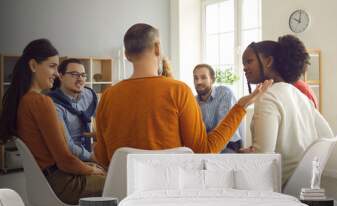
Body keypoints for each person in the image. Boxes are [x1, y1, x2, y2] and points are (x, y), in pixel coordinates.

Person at [94, 23, 272, 168]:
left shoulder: (108, 97)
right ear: (157, 48)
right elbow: (204, 152)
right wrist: (240, 107)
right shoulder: (178, 91)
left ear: (126, 55)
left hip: (125, 200)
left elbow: (102, 158)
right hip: (170, 196)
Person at [0, 39, 105, 206]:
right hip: (62, 183)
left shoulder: (23, 101)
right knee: (121, 183)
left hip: (48, 181)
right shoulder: (41, 102)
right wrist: (89, 169)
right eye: (52, 66)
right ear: (33, 65)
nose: (56, 73)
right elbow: (65, 160)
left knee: (104, 172)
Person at [242, 35, 333, 184]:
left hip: (279, 184)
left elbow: (262, 157)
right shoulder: (299, 94)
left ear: (269, 61)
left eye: (249, 61)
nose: (244, 68)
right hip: (305, 181)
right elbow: (328, 135)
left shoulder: (268, 97)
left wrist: (246, 154)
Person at [48, 58, 98, 162]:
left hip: (89, 152)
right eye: (74, 74)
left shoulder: (90, 95)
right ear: (61, 76)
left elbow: (104, 120)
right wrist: (92, 157)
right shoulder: (53, 104)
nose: (80, 79)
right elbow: (67, 146)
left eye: (83, 75)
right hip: (67, 160)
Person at [193, 64, 243, 153]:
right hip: (207, 146)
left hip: (228, 144)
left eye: (203, 77)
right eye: (196, 78)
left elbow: (223, 129)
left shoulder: (224, 93)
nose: (198, 82)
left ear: (212, 80)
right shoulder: (193, 101)